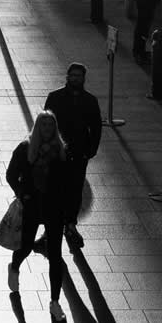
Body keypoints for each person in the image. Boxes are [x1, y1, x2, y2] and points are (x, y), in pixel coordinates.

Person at [6, 110, 70, 323]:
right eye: (43, 126)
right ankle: (14, 266)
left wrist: (68, 210)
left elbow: (68, 182)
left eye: (51, 126)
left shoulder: (60, 151)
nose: (47, 130)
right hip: (33, 205)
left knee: (54, 254)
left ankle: (54, 302)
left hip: (54, 208)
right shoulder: (26, 149)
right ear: (37, 128)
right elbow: (11, 174)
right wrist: (22, 193)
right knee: (25, 247)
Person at [43, 62, 102, 250]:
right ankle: (51, 226)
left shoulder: (90, 100)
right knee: (55, 189)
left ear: (83, 78)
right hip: (57, 152)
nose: (76, 79)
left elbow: (96, 127)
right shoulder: (55, 97)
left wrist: (91, 150)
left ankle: (70, 224)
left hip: (79, 153)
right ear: (67, 77)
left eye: (79, 76)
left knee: (75, 189)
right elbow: (45, 124)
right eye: (73, 75)